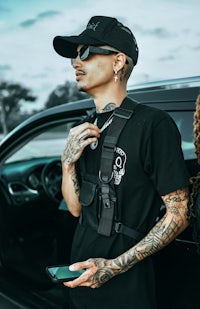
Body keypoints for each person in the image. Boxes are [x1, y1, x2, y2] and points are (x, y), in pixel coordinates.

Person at [53, 16, 190, 309]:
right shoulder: (83, 127)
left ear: (117, 62)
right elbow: (77, 209)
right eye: (75, 55)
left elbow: (179, 214)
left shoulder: (153, 124)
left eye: (86, 53)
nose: (76, 62)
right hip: (80, 274)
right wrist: (67, 162)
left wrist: (113, 267)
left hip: (126, 285)